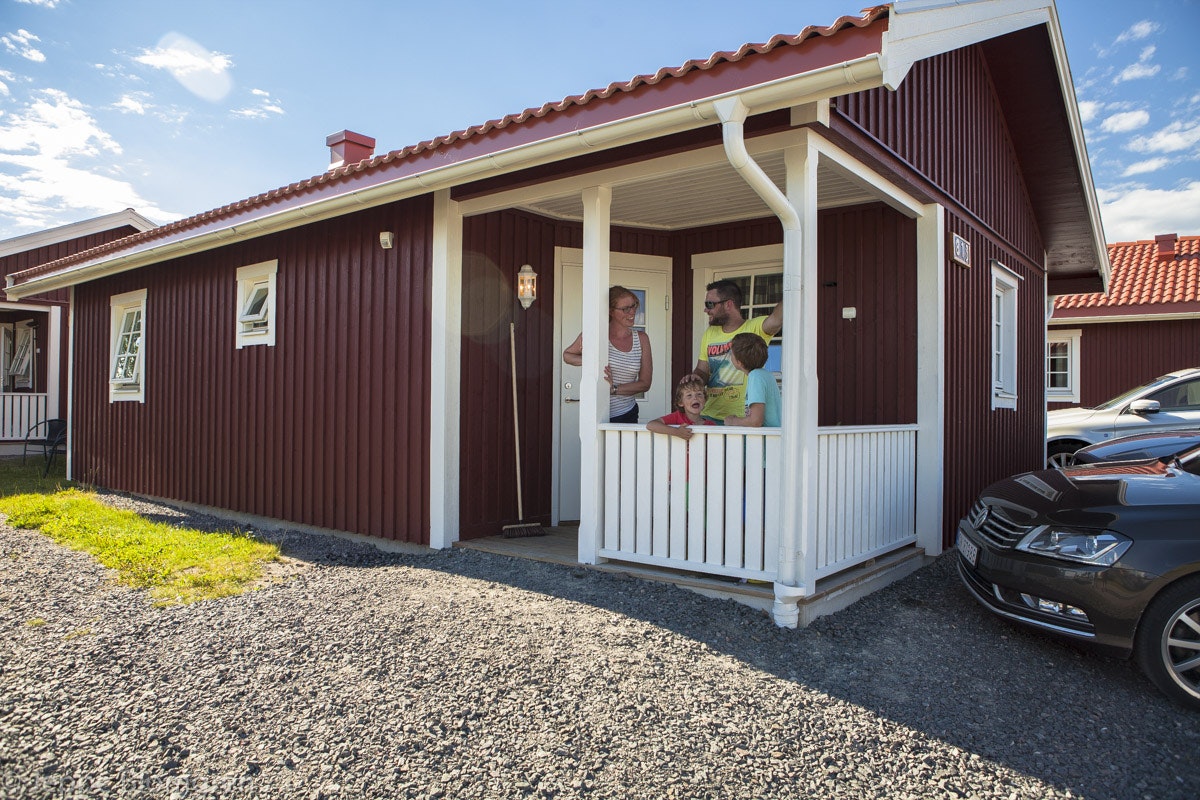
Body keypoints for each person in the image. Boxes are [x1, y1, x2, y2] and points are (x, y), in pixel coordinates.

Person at [689, 279, 782, 422]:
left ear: (728, 304)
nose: (706, 310)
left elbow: (777, 319)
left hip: (742, 419)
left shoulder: (754, 327)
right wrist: (695, 378)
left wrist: (794, 287)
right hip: (709, 415)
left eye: (710, 304)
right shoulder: (710, 333)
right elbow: (703, 370)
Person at [562, 285, 653, 423]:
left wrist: (613, 389)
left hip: (626, 414)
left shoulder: (641, 339)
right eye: (625, 308)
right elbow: (567, 355)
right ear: (611, 311)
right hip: (595, 413)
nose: (632, 312)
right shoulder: (595, 335)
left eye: (634, 305)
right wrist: (591, 361)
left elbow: (645, 384)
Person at [723, 332, 782, 427]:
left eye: (731, 353)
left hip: (768, 436)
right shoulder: (765, 375)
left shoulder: (756, 377)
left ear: (739, 362)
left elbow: (756, 421)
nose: (730, 355)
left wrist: (733, 421)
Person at [646, 375, 714, 440]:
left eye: (699, 394)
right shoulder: (677, 417)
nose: (695, 398)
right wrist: (676, 432)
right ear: (681, 402)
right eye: (689, 395)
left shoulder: (710, 425)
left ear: (705, 400)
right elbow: (651, 425)